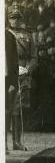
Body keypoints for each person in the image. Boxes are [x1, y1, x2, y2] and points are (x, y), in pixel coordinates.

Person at [6, 6, 37, 151]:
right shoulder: (5, 34)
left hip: (23, 74)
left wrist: (27, 69)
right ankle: (6, 142)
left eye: (18, 18)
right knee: (8, 108)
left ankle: (17, 141)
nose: (15, 21)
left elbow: (34, 57)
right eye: (12, 18)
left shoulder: (28, 35)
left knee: (19, 108)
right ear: (8, 19)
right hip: (8, 73)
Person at [5, 23, 19, 153]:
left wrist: (13, 82)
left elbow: (15, 61)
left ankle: (3, 144)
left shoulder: (9, 37)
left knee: (6, 111)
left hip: (6, 79)